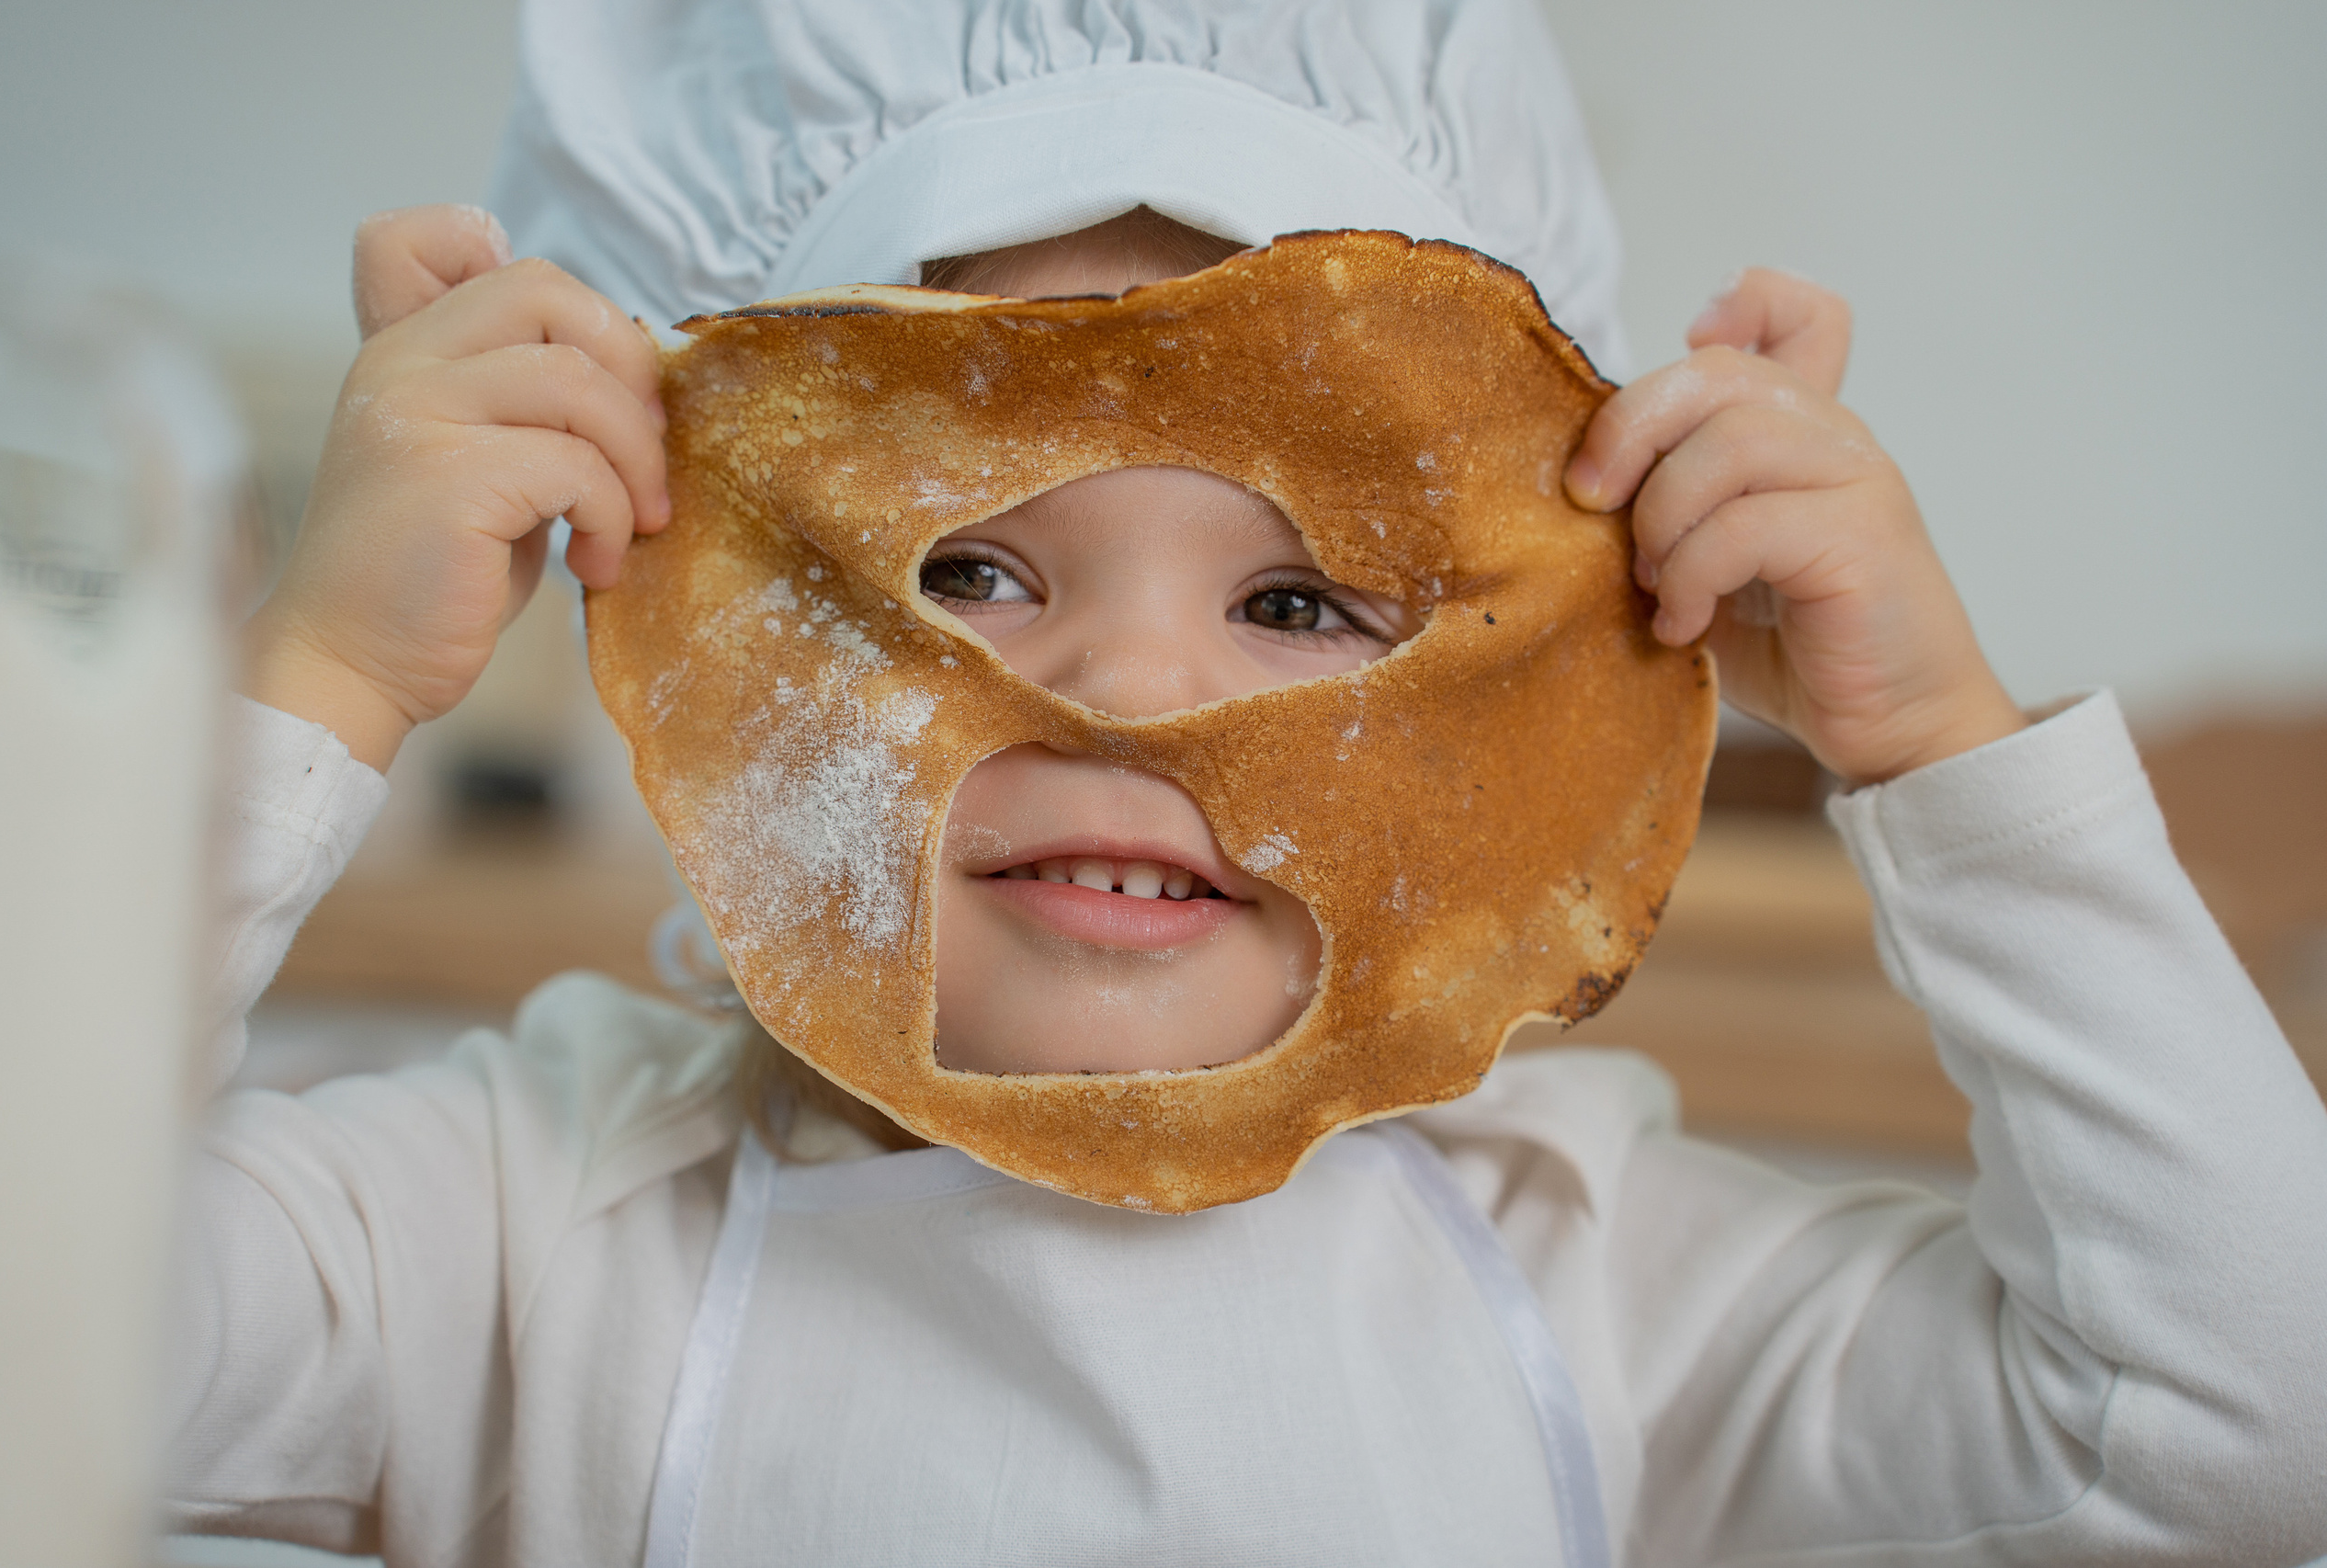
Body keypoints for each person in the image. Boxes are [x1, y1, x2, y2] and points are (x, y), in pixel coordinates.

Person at [176, 3, 2327, 1564]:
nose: (1124, 687)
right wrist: (320, 677)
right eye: (966, 568)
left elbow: (2248, 1439)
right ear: (664, 584)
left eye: (1301, 605)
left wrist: (1931, 740)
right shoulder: (497, 1250)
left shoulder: (1607, 1292)